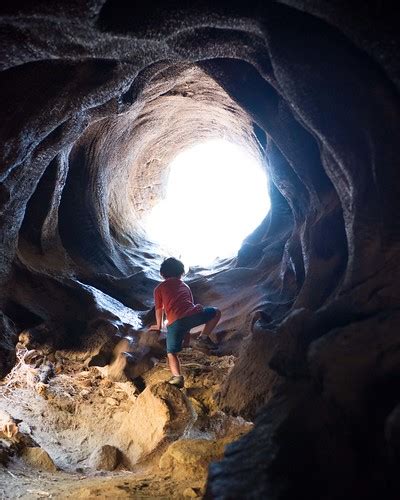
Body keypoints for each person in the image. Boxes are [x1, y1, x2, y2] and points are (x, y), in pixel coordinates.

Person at [149, 257, 221, 388]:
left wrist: (158, 326)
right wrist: (187, 338)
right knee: (216, 312)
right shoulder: (185, 286)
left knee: (171, 353)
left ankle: (177, 377)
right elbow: (188, 309)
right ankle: (203, 338)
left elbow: (159, 309)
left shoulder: (159, 288)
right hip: (193, 315)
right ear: (181, 273)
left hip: (175, 323)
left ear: (162, 274)